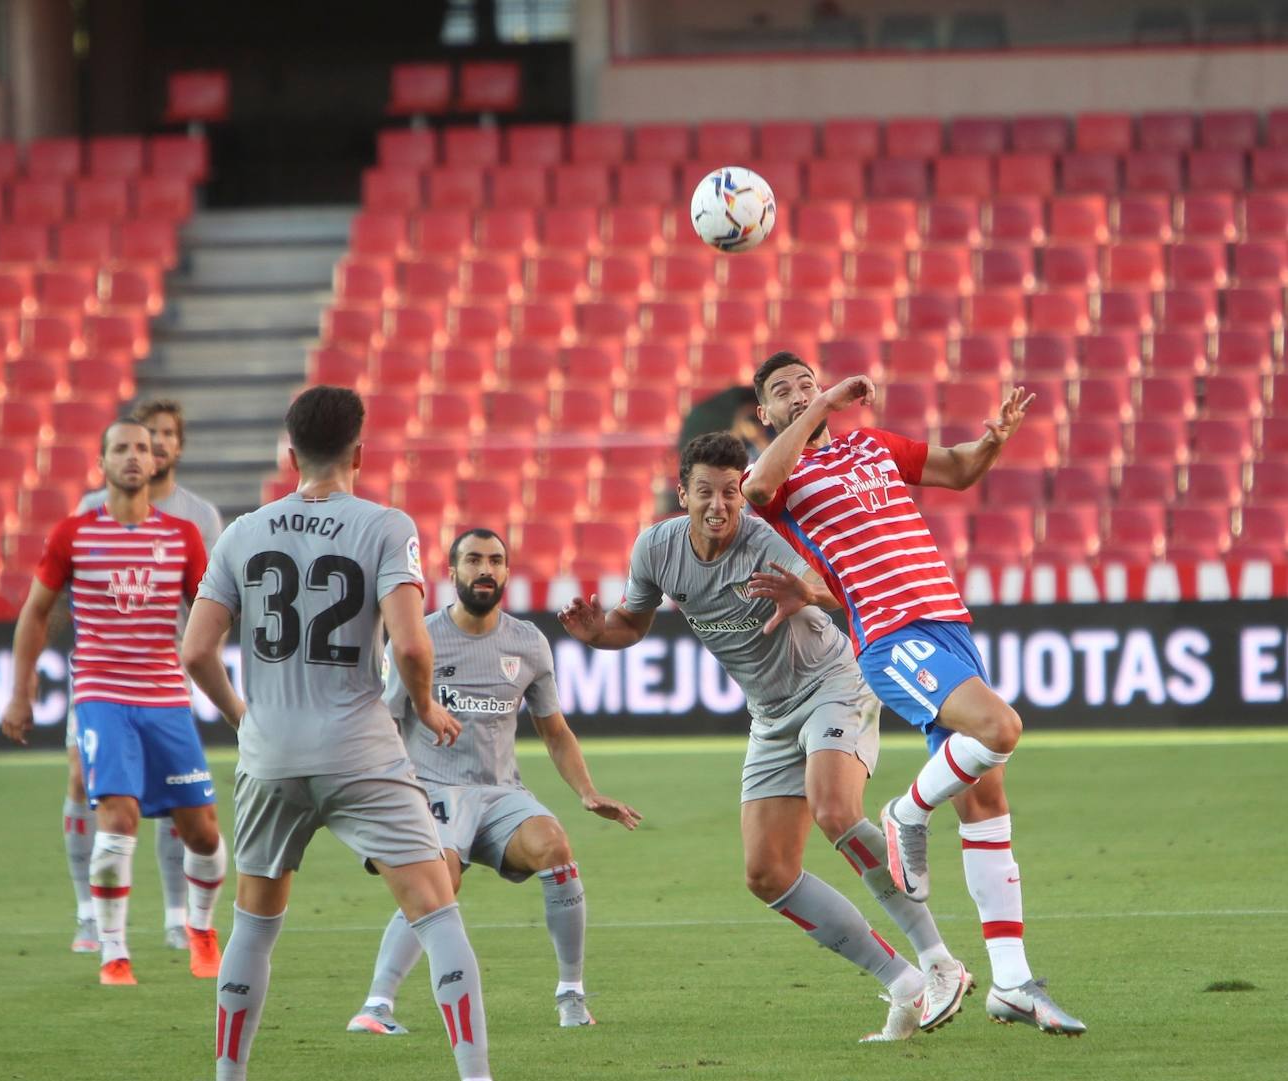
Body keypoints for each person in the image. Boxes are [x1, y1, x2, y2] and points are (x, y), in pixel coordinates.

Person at [181, 385, 536, 1081]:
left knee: (254, 923)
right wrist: (427, 704)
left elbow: (195, 651)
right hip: (358, 747)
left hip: (270, 752)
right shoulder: (384, 525)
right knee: (436, 909)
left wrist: (245, 718)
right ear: (359, 452)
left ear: (289, 449)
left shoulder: (244, 531)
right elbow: (411, 643)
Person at [558, 432, 967, 1042]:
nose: (720, 505)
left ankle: (940, 962)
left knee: (834, 810)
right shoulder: (656, 549)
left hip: (834, 682)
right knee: (767, 873)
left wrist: (805, 590)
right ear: (683, 493)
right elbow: (631, 624)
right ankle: (905, 985)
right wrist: (598, 634)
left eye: (731, 492)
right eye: (706, 493)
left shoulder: (766, 538)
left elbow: (846, 588)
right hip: (771, 712)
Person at [740, 351, 1086, 1036]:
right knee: (1000, 729)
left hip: (947, 621)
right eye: (784, 392)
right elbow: (754, 492)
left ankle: (1011, 982)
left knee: (986, 803)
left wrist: (992, 442)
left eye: (807, 382)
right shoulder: (783, 474)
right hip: (893, 634)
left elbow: (955, 469)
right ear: (767, 413)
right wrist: (825, 401)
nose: (801, 394)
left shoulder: (871, 445)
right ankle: (905, 811)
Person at [347, 527, 641, 1037]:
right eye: (474, 560)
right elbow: (387, 724)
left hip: (502, 793)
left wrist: (586, 792)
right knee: (440, 880)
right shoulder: (418, 639)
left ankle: (571, 995)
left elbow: (554, 730)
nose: (486, 570)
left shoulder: (528, 642)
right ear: (451, 571)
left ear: (507, 573)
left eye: (496, 561)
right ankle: (376, 1006)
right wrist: (384, 796)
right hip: (434, 790)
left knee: (554, 846)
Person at [2, 419, 228, 986]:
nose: (134, 457)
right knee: (118, 817)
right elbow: (35, 611)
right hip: (102, 694)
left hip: (166, 696)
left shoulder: (182, 536)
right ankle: (112, 949)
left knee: (202, 829)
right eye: (121, 448)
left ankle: (200, 929)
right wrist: (20, 687)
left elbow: (211, 613)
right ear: (101, 463)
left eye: (144, 449)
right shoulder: (73, 534)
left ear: (157, 464)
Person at [62, 398, 224, 956]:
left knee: (174, 800)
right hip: (100, 678)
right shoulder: (90, 509)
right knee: (87, 785)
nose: (151, 446)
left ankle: (178, 916)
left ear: (177, 447)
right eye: (140, 437)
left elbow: (211, 598)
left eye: (163, 437)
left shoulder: (198, 516)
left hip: (166, 679)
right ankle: (89, 914)